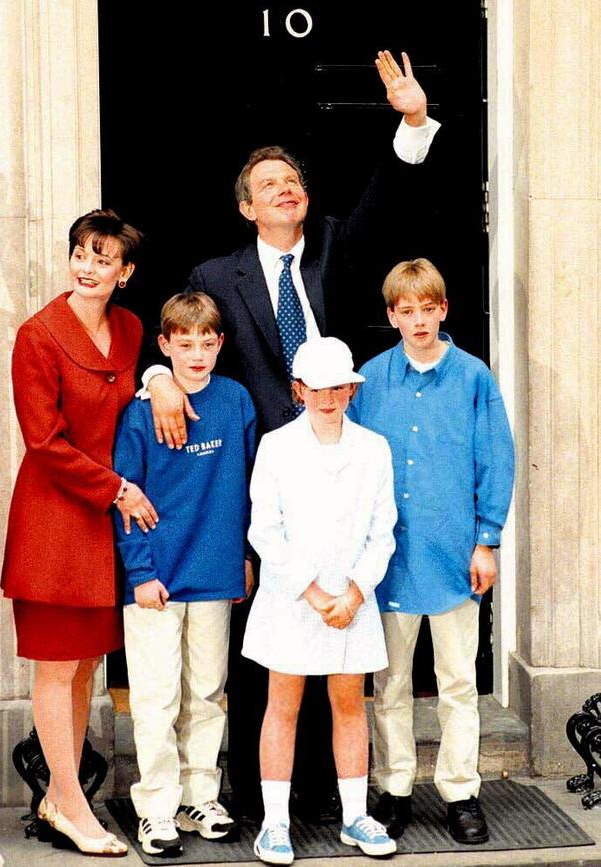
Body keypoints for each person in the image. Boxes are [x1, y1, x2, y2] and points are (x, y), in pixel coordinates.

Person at [142, 49, 441, 822]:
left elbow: (392, 197)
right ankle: (254, 796)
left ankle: (326, 795)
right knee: (266, 636)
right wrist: (157, 377)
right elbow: (183, 342)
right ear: (246, 207)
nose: (287, 189)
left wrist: (411, 119)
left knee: (337, 628)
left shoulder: (339, 246)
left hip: (340, 466)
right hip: (260, 479)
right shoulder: (215, 276)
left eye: (294, 180)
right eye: (270, 184)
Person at [0, 209, 157, 858]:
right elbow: (44, 441)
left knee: (87, 665)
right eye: (81, 255)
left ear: (125, 273)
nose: (88, 268)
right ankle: (70, 803)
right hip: (55, 522)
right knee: (56, 667)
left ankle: (59, 794)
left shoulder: (130, 327)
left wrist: (160, 375)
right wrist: (117, 489)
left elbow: (133, 396)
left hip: (102, 531)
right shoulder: (37, 336)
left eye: (103, 258)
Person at [348, 258, 515, 845]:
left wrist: (486, 540)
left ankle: (461, 792)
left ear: (443, 309)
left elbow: (496, 460)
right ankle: (393, 788)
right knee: (389, 683)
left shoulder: (473, 378)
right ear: (391, 315)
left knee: (457, 682)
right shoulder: (369, 381)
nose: (418, 320)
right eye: (406, 310)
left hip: (453, 557)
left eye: (428, 308)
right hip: (389, 563)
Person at [242, 337, 397, 864]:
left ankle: (355, 815)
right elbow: (265, 531)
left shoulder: (374, 448)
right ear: (299, 390)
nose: (327, 397)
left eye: (338, 387)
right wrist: (313, 593)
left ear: (352, 390)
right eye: (316, 387)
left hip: (352, 602)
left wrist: (353, 594)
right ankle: (276, 824)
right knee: (282, 707)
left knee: (349, 703)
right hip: (293, 599)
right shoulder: (276, 446)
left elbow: (384, 531)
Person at [113, 293, 256, 857]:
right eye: (185, 343)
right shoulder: (139, 413)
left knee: (207, 692)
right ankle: (155, 807)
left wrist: (242, 556)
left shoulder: (236, 401)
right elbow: (126, 499)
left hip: (216, 573)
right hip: (156, 582)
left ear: (220, 344)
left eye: (206, 343)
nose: (196, 355)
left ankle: (201, 794)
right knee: (154, 698)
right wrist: (140, 572)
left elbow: (246, 489)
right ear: (165, 345)